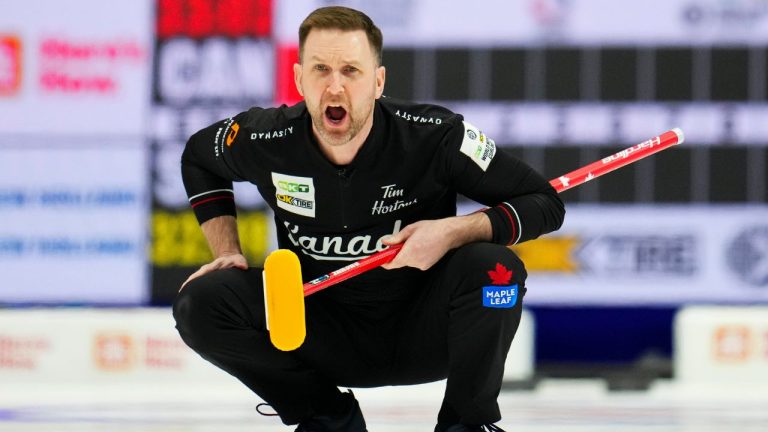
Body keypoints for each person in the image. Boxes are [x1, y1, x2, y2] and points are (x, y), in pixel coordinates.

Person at [173, 6, 565, 432]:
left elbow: (545, 202)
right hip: (321, 333)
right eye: (321, 69)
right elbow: (199, 156)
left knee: (498, 270)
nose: (335, 86)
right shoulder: (266, 138)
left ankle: (467, 423)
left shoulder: (436, 136)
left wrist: (454, 231)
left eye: (351, 71)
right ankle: (323, 414)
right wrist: (226, 250)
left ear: (378, 81)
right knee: (200, 303)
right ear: (300, 78)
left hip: (426, 329)